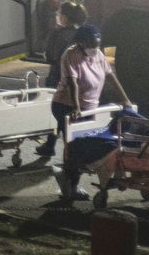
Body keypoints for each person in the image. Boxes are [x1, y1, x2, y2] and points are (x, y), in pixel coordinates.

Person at [53, 24, 134, 201]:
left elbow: (111, 76)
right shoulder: (70, 55)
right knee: (75, 146)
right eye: (91, 45)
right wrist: (76, 107)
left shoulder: (97, 54)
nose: (94, 49)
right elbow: (72, 83)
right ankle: (70, 186)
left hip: (90, 107)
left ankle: (67, 176)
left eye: (97, 45)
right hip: (66, 105)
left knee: (88, 144)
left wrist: (125, 100)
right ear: (81, 42)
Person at [35, 1, 89, 157]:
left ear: (64, 17)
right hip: (80, 80)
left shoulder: (58, 34)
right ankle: (50, 144)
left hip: (59, 78)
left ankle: (68, 152)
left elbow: (51, 57)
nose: (57, 17)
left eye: (59, 14)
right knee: (67, 113)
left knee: (58, 113)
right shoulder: (84, 34)